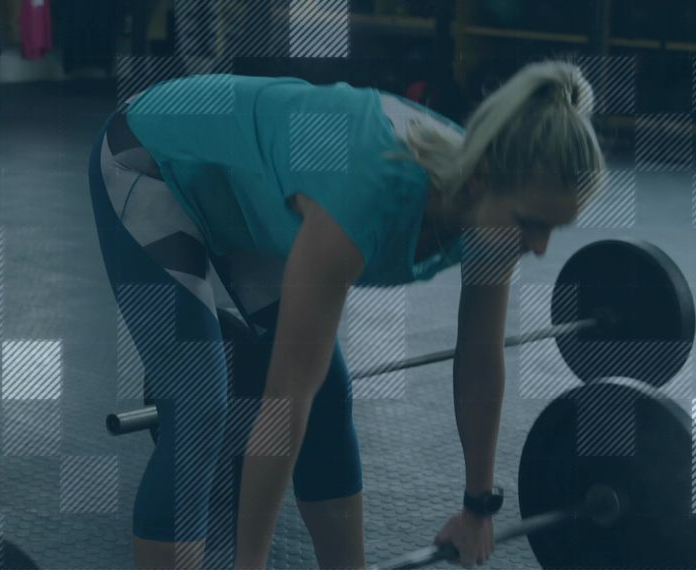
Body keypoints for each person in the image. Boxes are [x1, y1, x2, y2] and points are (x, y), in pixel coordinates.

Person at [87, 59, 604, 570]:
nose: (538, 246)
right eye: (532, 223)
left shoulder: (492, 212)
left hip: (251, 193)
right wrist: (250, 562)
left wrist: (477, 505)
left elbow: (480, 359)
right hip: (152, 157)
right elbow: (285, 399)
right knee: (200, 404)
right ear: (481, 181)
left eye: (553, 228)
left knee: (327, 394)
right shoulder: (369, 194)